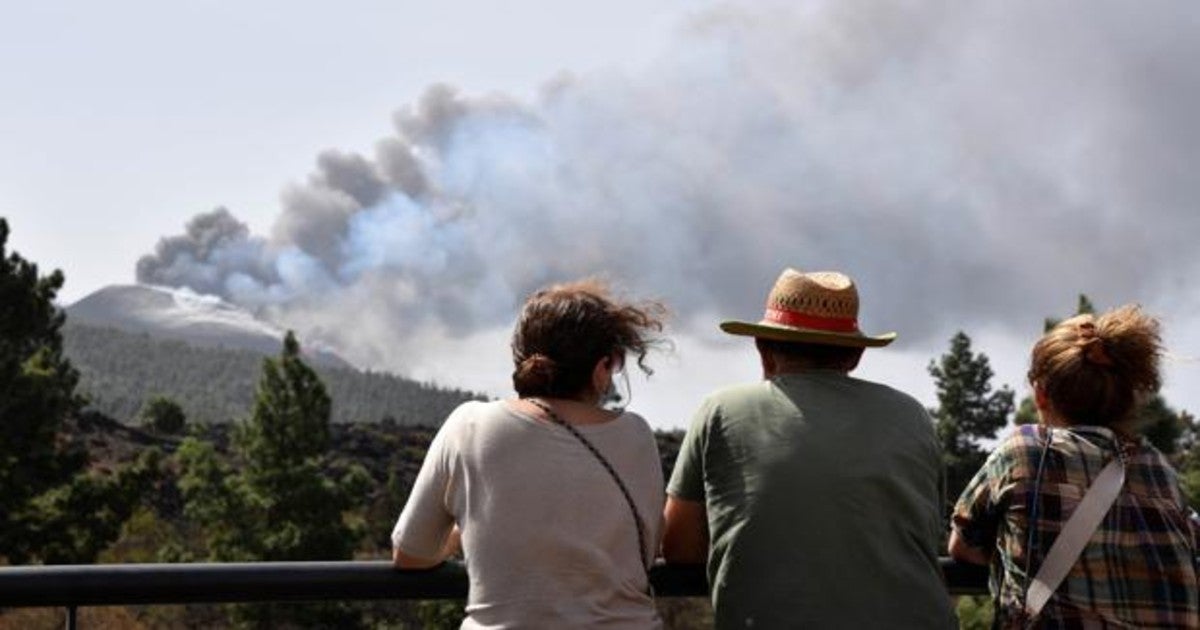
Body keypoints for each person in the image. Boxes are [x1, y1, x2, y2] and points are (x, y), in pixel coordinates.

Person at [662, 268, 957, 629]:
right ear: (854, 356)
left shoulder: (720, 411)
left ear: (763, 349)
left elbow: (679, 547)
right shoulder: (911, 414)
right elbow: (927, 531)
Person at [391, 278, 667, 629]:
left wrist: (468, 531)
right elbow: (648, 545)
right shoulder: (637, 436)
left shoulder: (469, 425)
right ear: (601, 368)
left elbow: (411, 555)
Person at [949, 305, 1199, 628]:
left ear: (1040, 395)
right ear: (1125, 398)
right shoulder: (1158, 468)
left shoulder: (1025, 451)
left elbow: (963, 544)